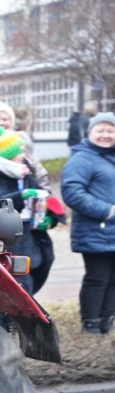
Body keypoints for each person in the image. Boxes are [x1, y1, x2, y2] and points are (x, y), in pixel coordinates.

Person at [0, 127, 62, 296]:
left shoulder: (26, 176)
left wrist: (50, 219)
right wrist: (19, 198)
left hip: (32, 248)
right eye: (19, 151)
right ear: (7, 154)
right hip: (7, 252)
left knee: (28, 292)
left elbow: (46, 200)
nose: (23, 156)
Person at [61, 112, 115, 334]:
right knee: (97, 278)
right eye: (100, 130)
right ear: (89, 132)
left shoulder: (110, 158)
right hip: (96, 229)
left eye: (110, 130)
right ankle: (91, 326)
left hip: (111, 231)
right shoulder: (82, 158)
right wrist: (107, 211)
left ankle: (106, 322)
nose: (105, 134)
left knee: (113, 280)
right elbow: (72, 192)